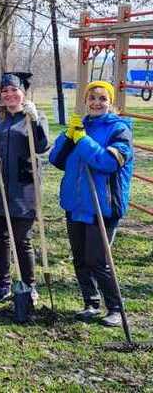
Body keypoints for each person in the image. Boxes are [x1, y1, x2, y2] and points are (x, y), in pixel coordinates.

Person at [49, 80, 133, 327]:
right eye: (92, 98)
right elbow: (56, 159)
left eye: (102, 98)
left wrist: (83, 140)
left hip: (103, 206)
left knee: (98, 260)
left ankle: (115, 307)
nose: (96, 102)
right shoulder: (80, 126)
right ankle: (91, 303)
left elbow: (106, 162)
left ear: (110, 102)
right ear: (85, 101)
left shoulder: (119, 130)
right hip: (76, 203)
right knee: (80, 258)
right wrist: (68, 135)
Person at [0, 72, 50, 303]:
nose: (9, 95)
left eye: (13, 90)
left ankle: (29, 285)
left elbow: (41, 147)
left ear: (23, 93)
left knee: (22, 238)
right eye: (4, 91)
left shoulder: (33, 117)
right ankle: (3, 283)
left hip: (23, 188)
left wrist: (36, 121)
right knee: (0, 238)